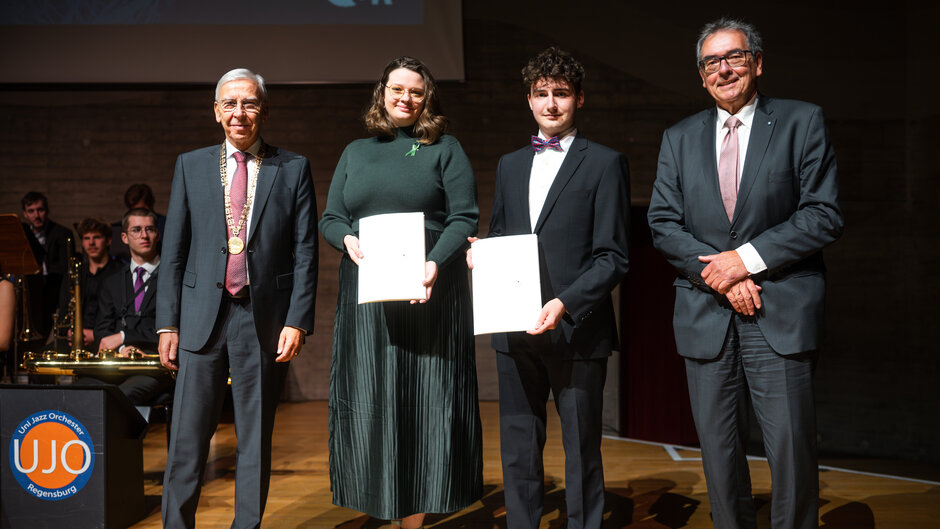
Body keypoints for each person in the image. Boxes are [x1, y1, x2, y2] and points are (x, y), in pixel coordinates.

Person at [647, 18, 844, 529]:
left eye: (734, 57)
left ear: (757, 63)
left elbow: (822, 214)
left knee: (793, 456)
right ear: (701, 76)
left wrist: (747, 259)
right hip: (706, 316)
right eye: (712, 62)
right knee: (719, 457)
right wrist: (725, 276)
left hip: (778, 312)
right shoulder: (679, 137)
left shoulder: (802, 121)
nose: (724, 69)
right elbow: (663, 224)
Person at [468, 47, 630, 529]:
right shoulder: (510, 164)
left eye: (561, 93)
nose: (551, 103)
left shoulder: (605, 163)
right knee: (518, 447)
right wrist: (482, 251)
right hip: (515, 328)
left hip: (577, 330)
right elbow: (502, 233)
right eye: (542, 94)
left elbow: (614, 257)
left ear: (578, 98)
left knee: (581, 447)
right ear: (529, 99)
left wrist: (564, 302)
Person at [319, 56, 482, 529]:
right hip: (367, 296)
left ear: (426, 98)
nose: (405, 99)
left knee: (424, 401)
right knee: (372, 397)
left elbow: (464, 217)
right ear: (382, 92)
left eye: (415, 91)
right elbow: (331, 218)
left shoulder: (444, 148)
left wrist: (434, 264)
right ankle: (381, 502)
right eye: (397, 89)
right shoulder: (355, 151)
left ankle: (413, 517)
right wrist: (345, 239)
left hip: (428, 291)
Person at [156, 68, 318, 529]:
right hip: (199, 318)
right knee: (186, 439)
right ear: (216, 112)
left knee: (254, 438)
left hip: (262, 317)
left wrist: (298, 320)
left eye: (248, 104)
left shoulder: (293, 167)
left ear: (263, 111)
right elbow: (174, 252)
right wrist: (167, 323)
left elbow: (305, 250)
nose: (239, 113)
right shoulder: (190, 164)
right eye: (229, 104)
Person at [77, 209, 172, 405]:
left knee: (119, 397)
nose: (144, 235)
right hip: (118, 365)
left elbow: (175, 329)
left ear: (158, 235)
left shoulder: (174, 279)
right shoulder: (112, 282)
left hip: (156, 367)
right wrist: (121, 348)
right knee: (78, 391)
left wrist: (124, 336)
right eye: (136, 230)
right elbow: (101, 330)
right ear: (125, 237)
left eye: (150, 229)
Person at [57, 217, 123, 350]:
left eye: (97, 237)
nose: (91, 243)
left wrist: (95, 334)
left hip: (107, 342)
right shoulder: (74, 273)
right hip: (73, 343)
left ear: (108, 241)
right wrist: (70, 332)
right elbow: (64, 310)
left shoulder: (120, 273)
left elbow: (122, 316)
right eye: (87, 238)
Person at [21, 191, 75, 339]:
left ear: (47, 211)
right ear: (25, 214)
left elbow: (65, 269)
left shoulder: (63, 233)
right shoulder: (22, 234)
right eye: (31, 211)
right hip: (31, 289)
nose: (36, 215)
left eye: (40, 210)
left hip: (53, 290)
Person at [111, 183, 167, 260]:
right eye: (134, 210)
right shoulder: (117, 229)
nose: (144, 235)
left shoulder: (167, 225)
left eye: (143, 210)